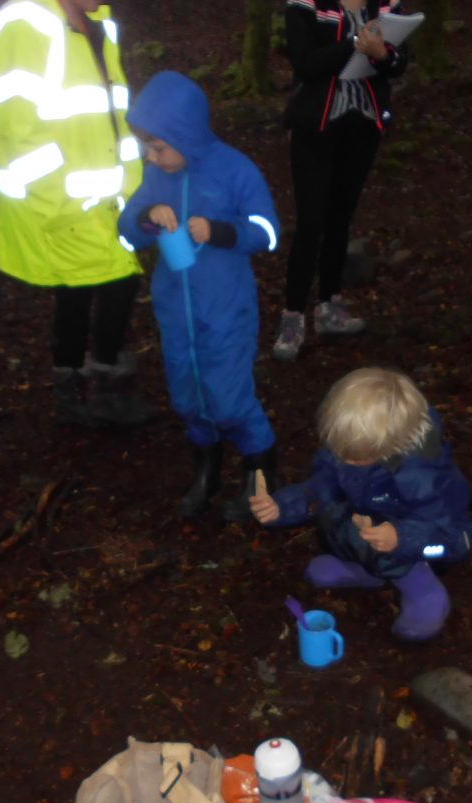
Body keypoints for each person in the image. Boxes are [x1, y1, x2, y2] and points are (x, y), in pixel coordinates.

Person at [118, 71, 281, 519]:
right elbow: (127, 233)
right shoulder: (156, 177)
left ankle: (260, 474)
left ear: (185, 135)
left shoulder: (234, 170)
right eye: (147, 148)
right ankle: (207, 472)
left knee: (229, 396)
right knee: (187, 394)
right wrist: (148, 216)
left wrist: (220, 231)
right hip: (175, 309)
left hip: (225, 308)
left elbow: (267, 231)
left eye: (158, 147)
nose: (151, 156)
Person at [0, 0, 151, 427]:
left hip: (108, 197)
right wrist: (61, 207)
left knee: (117, 283)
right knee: (84, 290)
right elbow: (20, 134)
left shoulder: (99, 22)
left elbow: (111, 114)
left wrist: (132, 190)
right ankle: (78, 387)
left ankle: (98, 380)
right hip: (64, 205)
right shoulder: (25, 24)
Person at [249, 367, 472, 640]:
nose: (343, 459)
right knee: (333, 512)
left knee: (382, 537)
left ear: (391, 445)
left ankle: (423, 590)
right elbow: (321, 488)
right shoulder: (348, 448)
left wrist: (400, 538)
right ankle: (366, 571)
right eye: (337, 449)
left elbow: (452, 541)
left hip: (423, 540)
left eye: (355, 456)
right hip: (369, 517)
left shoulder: (420, 478)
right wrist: (281, 507)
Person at [272, 0, 410, 362]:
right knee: (310, 222)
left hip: (362, 125)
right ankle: (293, 315)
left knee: (340, 218)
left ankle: (330, 304)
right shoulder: (305, 5)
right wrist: (353, 44)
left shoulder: (386, 5)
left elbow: (399, 63)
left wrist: (382, 54)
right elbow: (305, 63)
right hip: (315, 127)